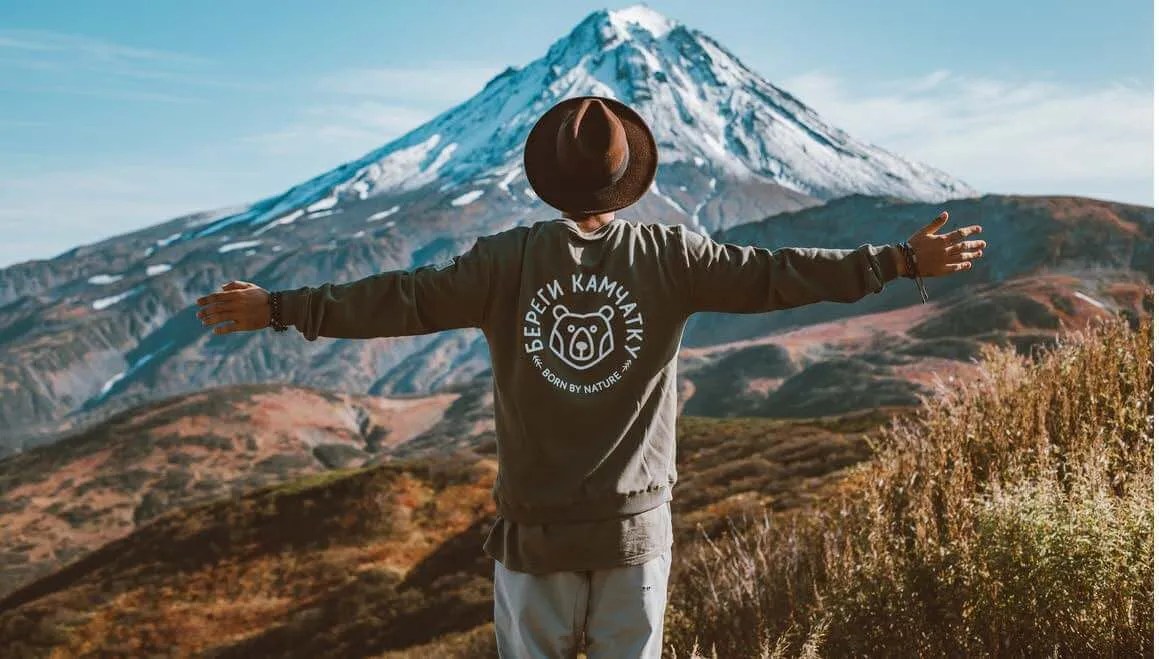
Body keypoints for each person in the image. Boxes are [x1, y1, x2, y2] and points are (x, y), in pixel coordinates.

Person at [195, 96, 986, 658]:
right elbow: (777, 274)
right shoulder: (670, 257)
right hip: (635, 534)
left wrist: (279, 308)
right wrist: (896, 261)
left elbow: (399, 299)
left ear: (546, 179)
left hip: (533, 534)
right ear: (627, 179)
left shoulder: (503, 261)